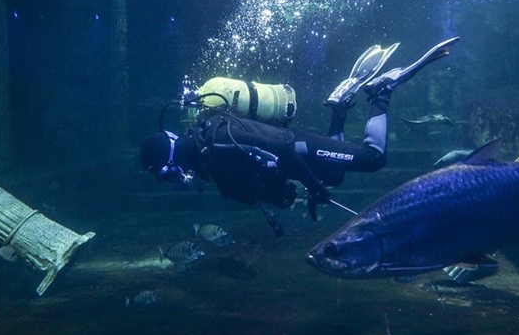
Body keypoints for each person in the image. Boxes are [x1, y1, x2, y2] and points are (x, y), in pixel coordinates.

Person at [140, 37, 460, 232]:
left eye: (166, 174)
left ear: (168, 163)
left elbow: (284, 146)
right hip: (296, 157)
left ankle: (380, 93)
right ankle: (339, 107)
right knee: (336, 177)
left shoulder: (219, 139)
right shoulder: (207, 155)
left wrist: (313, 186)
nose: (173, 179)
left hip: (301, 148)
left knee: (373, 160)